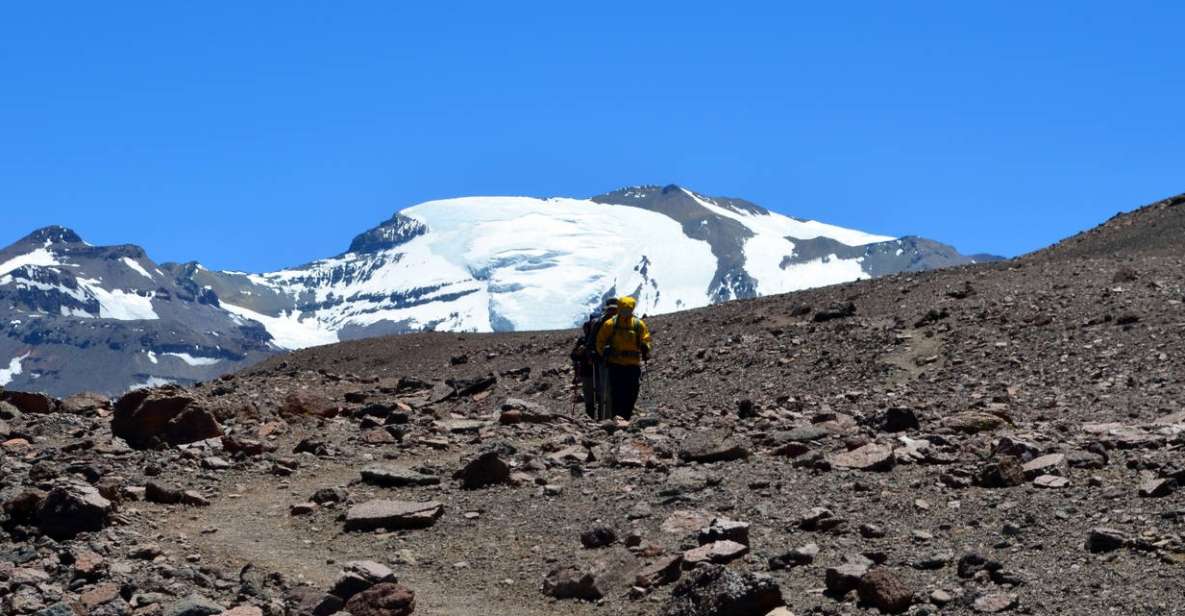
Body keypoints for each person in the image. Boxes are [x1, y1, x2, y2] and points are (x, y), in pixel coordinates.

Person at [594, 296, 652, 421]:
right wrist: (604, 351)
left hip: (632, 365)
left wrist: (645, 347)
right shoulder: (610, 324)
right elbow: (600, 341)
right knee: (617, 393)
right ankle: (618, 417)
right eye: (624, 309)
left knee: (631, 393)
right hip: (616, 364)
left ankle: (625, 416)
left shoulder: (637, 324)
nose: (626, 312)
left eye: (628, 309)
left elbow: (646, 339)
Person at [570, 298, 618, 419]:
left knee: (599, 395)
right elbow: (574, 356)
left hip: (595, 368)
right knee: (593, 396)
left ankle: (600, 417)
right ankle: (594, 418)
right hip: (590, 371)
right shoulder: (584, 340)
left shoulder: (592, 338)